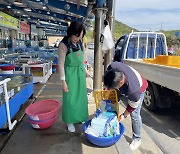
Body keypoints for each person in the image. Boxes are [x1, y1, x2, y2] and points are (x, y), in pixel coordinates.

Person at [103, 62, 148, 150]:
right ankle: (111, 117)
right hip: (125, 82)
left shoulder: (133, 91)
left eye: (114, 87)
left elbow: (132, 106)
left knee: (134, 114)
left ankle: (137, 139)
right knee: (113, 98)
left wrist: (123, 116)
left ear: (121, 83)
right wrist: (107, 87)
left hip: (140, 86)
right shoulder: (113, 67)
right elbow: (109, 74)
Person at [58, 21, 88, 132]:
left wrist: (85, 69)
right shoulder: (63, 44)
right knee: (70, 98)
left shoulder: (80, 42)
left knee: (81, 97)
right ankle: (69, 121)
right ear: (71, 33)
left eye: (80, 37)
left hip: (79, 73)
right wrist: (63, 81)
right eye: (76, 36)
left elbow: (82, 59)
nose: (78, 39)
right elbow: (60, 63)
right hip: (69, 74)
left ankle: (80, 117)